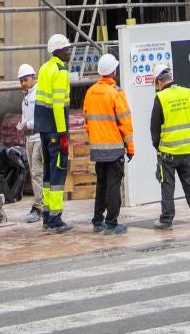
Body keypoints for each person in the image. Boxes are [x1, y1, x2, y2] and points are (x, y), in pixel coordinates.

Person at [83, 51, 135, 233]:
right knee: (114, 186)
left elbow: (87, 122)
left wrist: (95, 140)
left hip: (98, 149)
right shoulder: (116, 93)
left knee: (101, 184)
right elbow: (125, 123)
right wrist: (130, 148)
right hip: (114, 149)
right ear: (113, 72)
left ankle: (98, 220)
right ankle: (112, 222)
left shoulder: (90, 92)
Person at [150, 61, 190, 228]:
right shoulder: (188, 93)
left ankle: (166, 220)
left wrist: (157, 146)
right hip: (187, 150)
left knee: (167, 187)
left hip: (167, 152)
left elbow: (154, 127)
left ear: (159, 82)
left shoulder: (160, 97)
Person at [34, 31, 74, 232]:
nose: (69, 52)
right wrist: (63, 134)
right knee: (58, 172)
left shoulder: (44, 68)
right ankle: (55, 218)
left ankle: (47, 215)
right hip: (55, 130)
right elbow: (58, 106)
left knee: (48, 172)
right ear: (58, 51)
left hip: (43, 129)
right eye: (66, 49)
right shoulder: (60, 72)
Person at [18, 62, 44, 220]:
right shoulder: (26, 96)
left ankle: (39, 206)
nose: (23, 83)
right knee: (34, 172)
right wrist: (22, 125)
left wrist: (26, 125)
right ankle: (39, 204)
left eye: (25, 79)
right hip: (29, 137)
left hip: (38, 137)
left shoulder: (38, 94)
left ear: (33, 78)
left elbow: (40, 118)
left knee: (37, 172)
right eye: (21, 80)